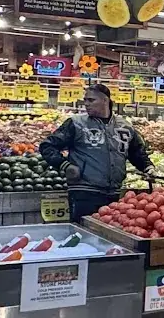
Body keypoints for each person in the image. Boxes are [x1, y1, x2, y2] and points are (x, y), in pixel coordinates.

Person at [39, 82, 155, 222]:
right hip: (84, 192)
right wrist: (65, 165)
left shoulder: (125, 126)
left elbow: (137, 153)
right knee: (83, 234)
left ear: (105, 100)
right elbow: (47, 146)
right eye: (85, 100)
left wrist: (148, 167)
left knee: (108, 236)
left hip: (114, 194)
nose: (86, 104)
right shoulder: (76, 124)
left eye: (91, 100)